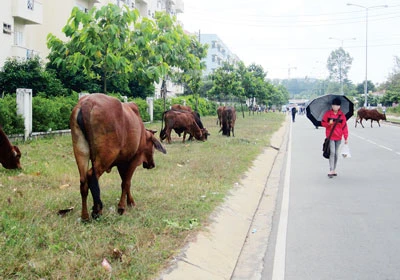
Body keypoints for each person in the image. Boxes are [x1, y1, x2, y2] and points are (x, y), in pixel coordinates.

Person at [321, 97, 348, 178]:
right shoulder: (328, 114)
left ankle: (334, 169)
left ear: (339, 106)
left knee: (336, 153)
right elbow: (323, 123)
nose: (335, 107)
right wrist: (328, 124)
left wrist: (346, 138)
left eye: (337, 105)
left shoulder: (342, 115)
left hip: (339, 137)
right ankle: (331, 169)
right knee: (332, 152)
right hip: (330, 136)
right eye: (333, 105)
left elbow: (344, 127)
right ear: (332, 106)